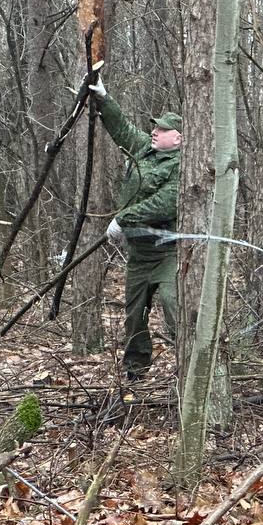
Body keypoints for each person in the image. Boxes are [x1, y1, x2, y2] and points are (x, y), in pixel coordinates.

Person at [89, 76, 182, 380]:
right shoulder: (144, 149)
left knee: (173, 303)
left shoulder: (182, 166)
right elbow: (122, 129)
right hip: (139, 255)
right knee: (134, 315)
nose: (154, 132)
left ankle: (189, 367)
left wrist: (122, 218)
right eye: (155, 128)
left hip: (168, 254)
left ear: (178, 139)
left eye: (162, 130)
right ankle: (135, 373)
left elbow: (165, 204)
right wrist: (104, 98)